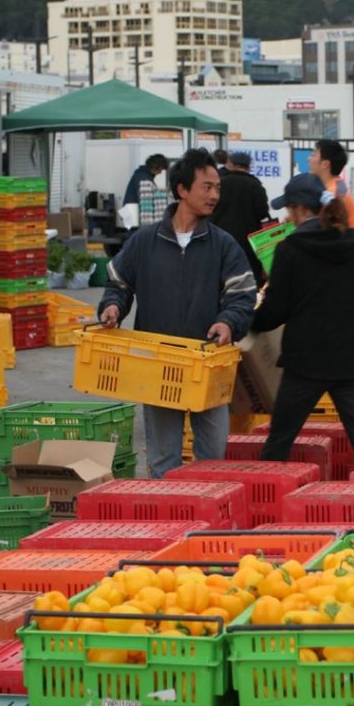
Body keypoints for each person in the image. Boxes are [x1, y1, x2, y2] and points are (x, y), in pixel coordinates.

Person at [99, 148, 257, 478]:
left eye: (217, 187)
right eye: (207, 187)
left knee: (212, 457)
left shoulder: (223, 244)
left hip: (208, 363)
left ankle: (208, 520)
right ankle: (167, 523)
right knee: (162, 458)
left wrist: (228, 322)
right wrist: (113, 306)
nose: (215, 195)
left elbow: (242, 295)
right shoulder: (145, 241)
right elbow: (119, 282)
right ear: (182, 190)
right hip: (160, 364)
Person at [250, 172, 354, 467]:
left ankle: (268, 502)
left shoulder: (290, 250)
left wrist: (247, 321)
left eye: (288, 208)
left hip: (305, 362)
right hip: (350, 358)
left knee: (279, 442)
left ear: (299, 209)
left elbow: (275, 312)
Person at [212, 151, 271, 288]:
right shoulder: (255, 185)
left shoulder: (220, 184)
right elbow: (263, 213)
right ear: (248, 167)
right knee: (247, 284)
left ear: (230, 164)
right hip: (248, 246)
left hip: (220, 242)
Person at [307, 139, 354, 235]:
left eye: (313, 155)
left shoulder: (332, 193)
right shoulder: (337, 185)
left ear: (325, 164)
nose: (308, 159)